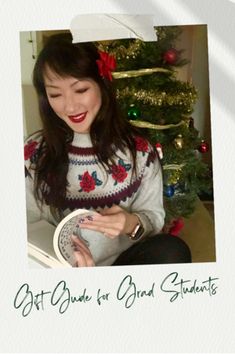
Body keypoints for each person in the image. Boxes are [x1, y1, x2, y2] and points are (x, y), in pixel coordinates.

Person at [24, 33, 191, 267]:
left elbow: (153, 218)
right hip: (61, 274)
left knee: (172, 250)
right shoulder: (33, 153)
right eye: (55, 94)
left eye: (80, 89)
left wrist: (129, 223)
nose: (70, 106)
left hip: (121, 267)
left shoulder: (139, 150)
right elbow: (26, 226)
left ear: (101, 84)